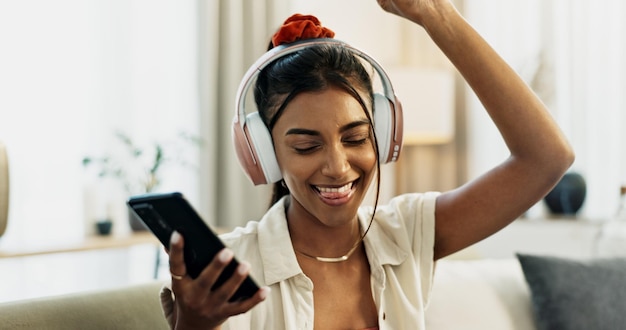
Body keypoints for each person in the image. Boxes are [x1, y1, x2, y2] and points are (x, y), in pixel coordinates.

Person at [161, 1, 574, 329]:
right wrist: (197, 325)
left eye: (356, 138)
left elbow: (547, 158)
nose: (338, 168)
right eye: (306, 146)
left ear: (385, 133)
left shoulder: (407, 233)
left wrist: (437, 14)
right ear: (262, 155)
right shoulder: (228, 271)